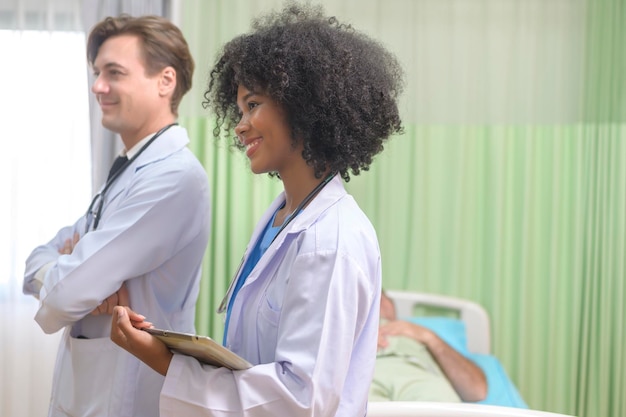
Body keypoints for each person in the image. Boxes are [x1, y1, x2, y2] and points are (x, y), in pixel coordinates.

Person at [110, 3, 404, 416]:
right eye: (240, 109)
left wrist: (165, 362)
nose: (240, 124)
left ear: (301, 106)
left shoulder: (330, 241)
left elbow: (300, 401)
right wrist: (174, 351)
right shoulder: (284, 217)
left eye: (253, 105)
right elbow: (256, 364)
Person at [22, 14, 211, 417]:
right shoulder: (129, 169)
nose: (97, 86)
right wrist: (66, 271)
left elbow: (64, 296)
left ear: (165, 81)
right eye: (96, 73)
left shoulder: (174, 178)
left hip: (129, 396)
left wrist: (73, 279)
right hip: (92, 390)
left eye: (114, 73)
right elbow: (35, 262)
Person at [370, 291, 488, 403]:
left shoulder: (419, 335)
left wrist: (429, 337)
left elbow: (477, 391)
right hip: (368, 375)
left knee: (439, 403)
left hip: (415, 372)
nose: (378, 303)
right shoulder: (353, 334)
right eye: (371, 297)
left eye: (383, 297)